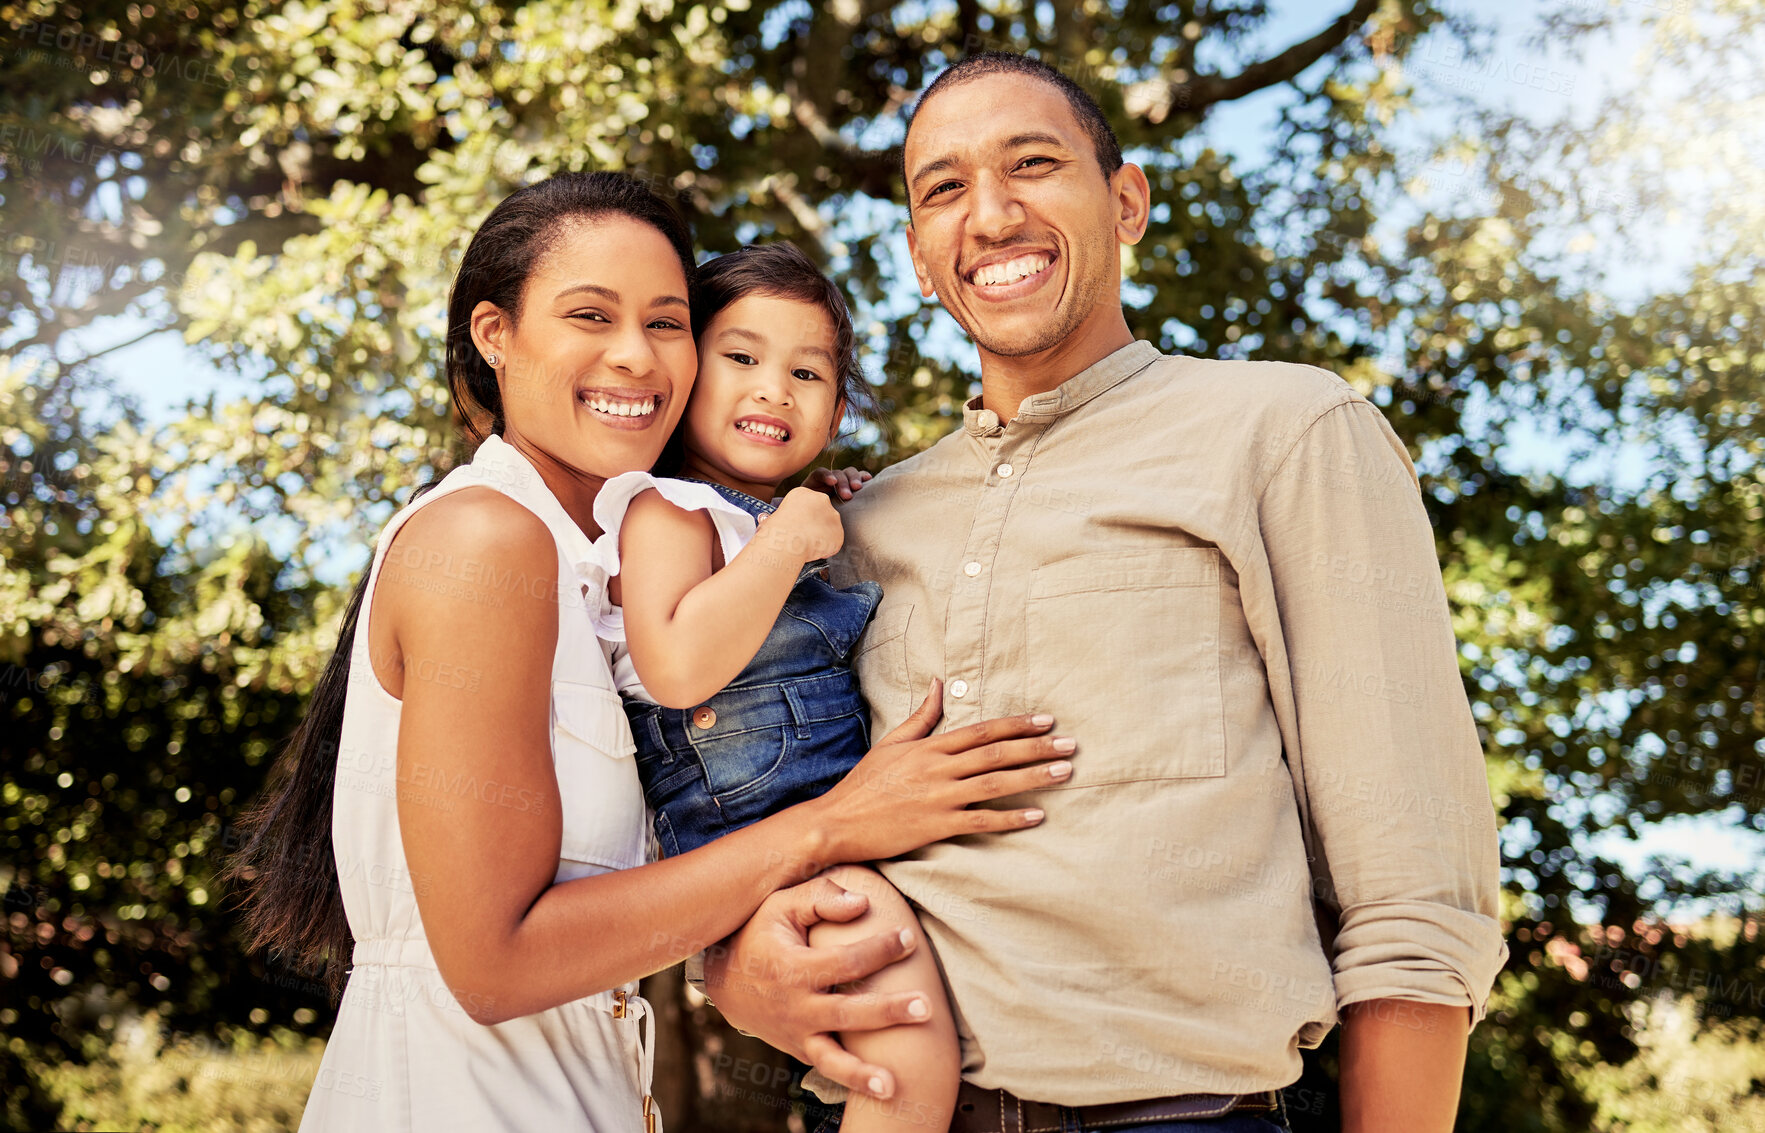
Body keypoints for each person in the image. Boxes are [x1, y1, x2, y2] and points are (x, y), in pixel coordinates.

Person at [703, 52, 1508, 1133]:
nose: (988, 215)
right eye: (942, 189)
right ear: (919, 258)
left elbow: (1415, 894)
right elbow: (754, 799)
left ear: (1124, 201)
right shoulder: (850, 528)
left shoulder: (1285, 431)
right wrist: (729, 963)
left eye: (1031, 164)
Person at [224, 170, 1075, 1132]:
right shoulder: (484, 541)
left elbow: (651, 877)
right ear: (493, 334)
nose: (635, 357)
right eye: (590, 315)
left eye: (666, 323)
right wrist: (834, 823)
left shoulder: (613, 567)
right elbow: (496, 965)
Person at [595, 240, 973, 1131]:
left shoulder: (783, 510)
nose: (772, 389)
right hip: (752, 840)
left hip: (824, 823)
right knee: (907, 1056)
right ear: (684, 376)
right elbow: (677, 664)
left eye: (805, 372)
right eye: (740, 358)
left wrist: (813, 512)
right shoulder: (666, 509)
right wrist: (787, 536)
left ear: (835, 410)